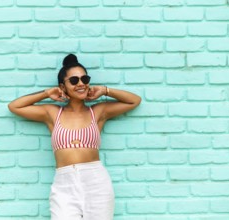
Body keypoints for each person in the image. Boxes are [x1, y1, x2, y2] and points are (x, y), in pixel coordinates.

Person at [8, 54, 141, 220]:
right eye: (73, 80)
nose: (81, 84)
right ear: (62, 86)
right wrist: (47, 93)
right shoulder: (53, 113)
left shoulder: (98, 112)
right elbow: (14, 106)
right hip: (64, 184)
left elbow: (134, 101)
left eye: (84, 79)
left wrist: (105, 90)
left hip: (96, 181)